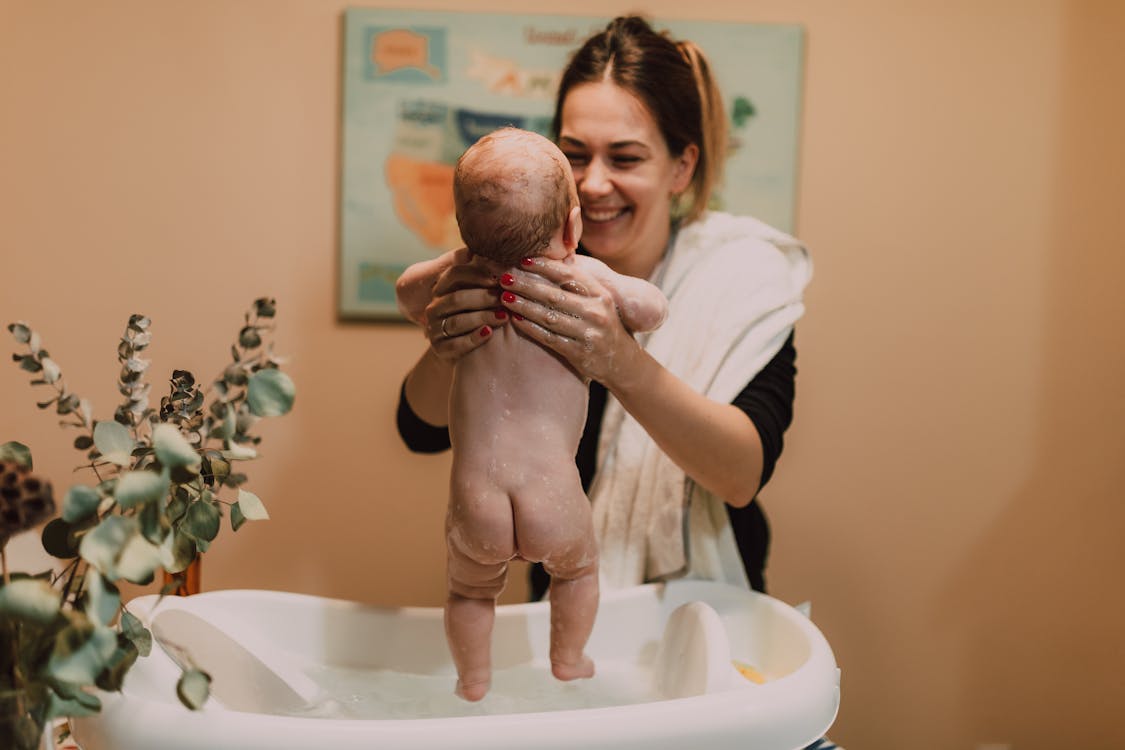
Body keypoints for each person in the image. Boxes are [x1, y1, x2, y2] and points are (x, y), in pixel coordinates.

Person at [396, 14, 810, 609]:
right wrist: (446, 344)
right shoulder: (524, 264)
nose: (592, 184)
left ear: (682, 166)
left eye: (625, 157)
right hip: (563, 610)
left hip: (706, 619)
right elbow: (421, 429)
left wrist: (619, 361)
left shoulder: (742, 278)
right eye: (574, 154)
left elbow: (741, 475)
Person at [395, 127, 668, 701]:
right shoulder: (581, 280)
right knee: (577, 571)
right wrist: (611, 290)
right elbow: (650, 308)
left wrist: (458, 260)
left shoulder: (460, 278)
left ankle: (473, 679)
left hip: (477, 500)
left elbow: (406, 293)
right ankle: (568, 659)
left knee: (470, 593)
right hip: (555, 495)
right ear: (573, 227)